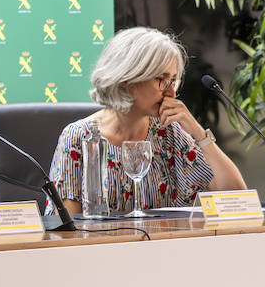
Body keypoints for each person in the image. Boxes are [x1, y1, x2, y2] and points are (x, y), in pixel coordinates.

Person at [47, 26, 245, 214]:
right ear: (127, 80)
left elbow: (237, 198)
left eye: (174, 80)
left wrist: (197, 131)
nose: (171, 92)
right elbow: (68, 228)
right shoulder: (79, 137)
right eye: (162, 79)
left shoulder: (168, 132)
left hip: (162, 248)